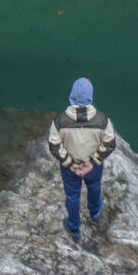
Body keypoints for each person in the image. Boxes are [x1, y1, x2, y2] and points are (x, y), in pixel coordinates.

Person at [48, 77, 117, 240]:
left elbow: (54, 146)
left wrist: (70, 164)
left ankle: (74, 228)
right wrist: (92, 162)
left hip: (69, 167)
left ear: (72, 95)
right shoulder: (102, 119)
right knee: (94, 187)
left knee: (72, 197)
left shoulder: (60, 121)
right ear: (91, 97)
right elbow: (110, 143)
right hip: (92, 166)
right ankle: (95, 213)